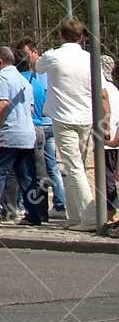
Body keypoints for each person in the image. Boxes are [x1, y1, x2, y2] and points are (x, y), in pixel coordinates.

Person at [41, 19, 98, 231]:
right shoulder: (89, 58)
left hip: (64, 119)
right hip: (86, 118)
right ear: (81, 37)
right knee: (76, 167)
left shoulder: (54, 56)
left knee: (73, 168)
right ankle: (74, 216)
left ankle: (90, 217)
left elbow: (37, 65)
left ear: (61, 36)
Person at [0, 45, 46, 226]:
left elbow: (2, 104)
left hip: (9, 133)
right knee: (27, 176)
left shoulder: (2, 77)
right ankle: (34, 214)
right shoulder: (23, 81)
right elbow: (30, 108)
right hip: (27, 133)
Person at [14, 38, 67, 221]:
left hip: (39, 125)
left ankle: (35, 207)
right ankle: (56, 205)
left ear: (35, 52)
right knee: (48, 169)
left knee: (31, 171)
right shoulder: (42, 76)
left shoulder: (31, 78)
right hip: (47, 124)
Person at [102, 55, 119, 231]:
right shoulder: (115, 88)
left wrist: (106, 133)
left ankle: (110, 213)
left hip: (107, 140)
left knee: (107, 180)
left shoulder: (104, 88)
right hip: (113, 139)